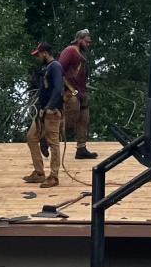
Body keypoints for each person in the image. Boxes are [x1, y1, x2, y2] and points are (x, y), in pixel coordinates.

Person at [23, 42, 63, 188]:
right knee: (31, 137)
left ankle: (54, 176)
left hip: (52, 112)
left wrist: (50, 107)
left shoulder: (55, 66)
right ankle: (39, 173)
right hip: (42, 112)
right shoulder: (46, 68)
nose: (38, 57)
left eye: (39, 54)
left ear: (45, 53)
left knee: (53, 143)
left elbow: (58, 89)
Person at [59, 28, 97, 159]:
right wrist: (70, 89)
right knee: (70, 120)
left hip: (81, 92)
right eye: (86, 41)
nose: (88, 44)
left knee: (84, 119)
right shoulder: (69, 50)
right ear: (79, 39)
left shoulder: (80, 54)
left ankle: (81, 149)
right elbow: (59, 70)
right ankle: (46, 138)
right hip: (70, 92)